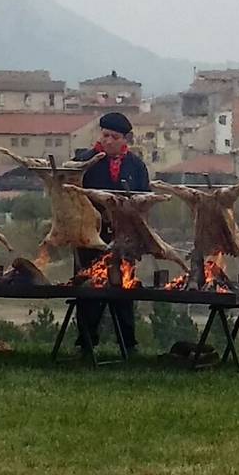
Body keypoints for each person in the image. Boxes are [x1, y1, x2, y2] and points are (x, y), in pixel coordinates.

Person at [73, 112, 150, 353]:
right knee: (89, 289)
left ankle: (128, 343)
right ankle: (86, 342)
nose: (107, 140)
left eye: (113, 137)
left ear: (124, 139)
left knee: (123, 289)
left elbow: (144, 200)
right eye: (104, 135)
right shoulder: (85, 161)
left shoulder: (136, 166)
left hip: (123, 238)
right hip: (90, 236)